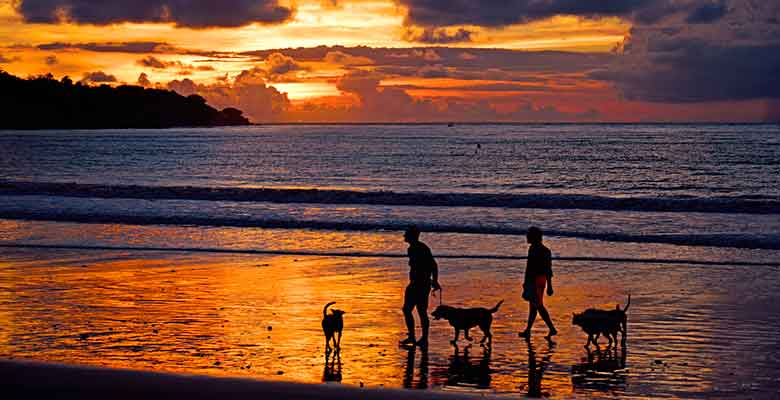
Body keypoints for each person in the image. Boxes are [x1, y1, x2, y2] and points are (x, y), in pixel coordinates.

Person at [400, 226, 441, 348]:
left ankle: (422, 338)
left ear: (412, 236)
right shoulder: (412, 249)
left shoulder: (421, 248)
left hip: (421, 284)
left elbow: (433, 265)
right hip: (416, 283)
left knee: (419, 311)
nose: (404, 236)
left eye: (406, 234)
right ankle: (414, 337)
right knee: (409, 310)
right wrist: (434, 280)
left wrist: (435, 280)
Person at [518, 226, 557, 339]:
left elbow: (548, 269)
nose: (527, 237)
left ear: (535, 237)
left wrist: (550, 286)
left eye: (529, 235)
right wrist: (526, 282)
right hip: (533, 279)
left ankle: (552, 329)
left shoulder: (544, 251)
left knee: (538, 305)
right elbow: (529, 268)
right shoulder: (533, 249)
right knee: (533, 306)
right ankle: (528, 330)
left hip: (538, 280)